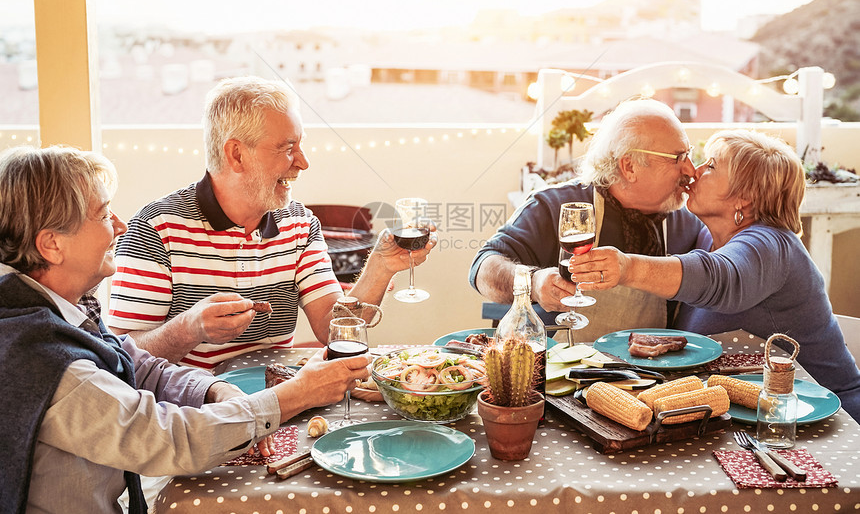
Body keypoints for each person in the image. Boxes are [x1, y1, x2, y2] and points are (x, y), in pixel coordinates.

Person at [0, 145, 371, 513]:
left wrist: (218, 391)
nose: (120, 225)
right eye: (102, 215)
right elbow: (168, 438)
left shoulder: (56, 310)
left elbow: (136, 365)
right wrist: (295, 395)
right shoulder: (42, 357)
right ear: (52, 244)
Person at [108, 76, 434, 369]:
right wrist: (189, 328)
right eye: (288, 148)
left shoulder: (301, 224)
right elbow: (122, 356)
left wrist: (380, 265)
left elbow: (333, 327)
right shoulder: (155, 230)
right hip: (194, 415)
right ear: (236, 155)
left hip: (278, 403)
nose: (303, 163)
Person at [570, 129, 860, 422]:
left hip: (825, 418)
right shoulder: (710, 236)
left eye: (711, 166)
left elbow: (720, 278)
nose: (694, 171)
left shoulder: (771, 246)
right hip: (751, 412)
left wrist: (627, 267)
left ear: (744, 198)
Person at [469, 98, 703, 339]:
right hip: (558, 369)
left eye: (688, 154)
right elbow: (481, 269)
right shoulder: (555, 206)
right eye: (677, 158)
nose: (690, 170)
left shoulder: (687, 223)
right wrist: (534, 283)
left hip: (648, 374)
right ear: (629, 166)